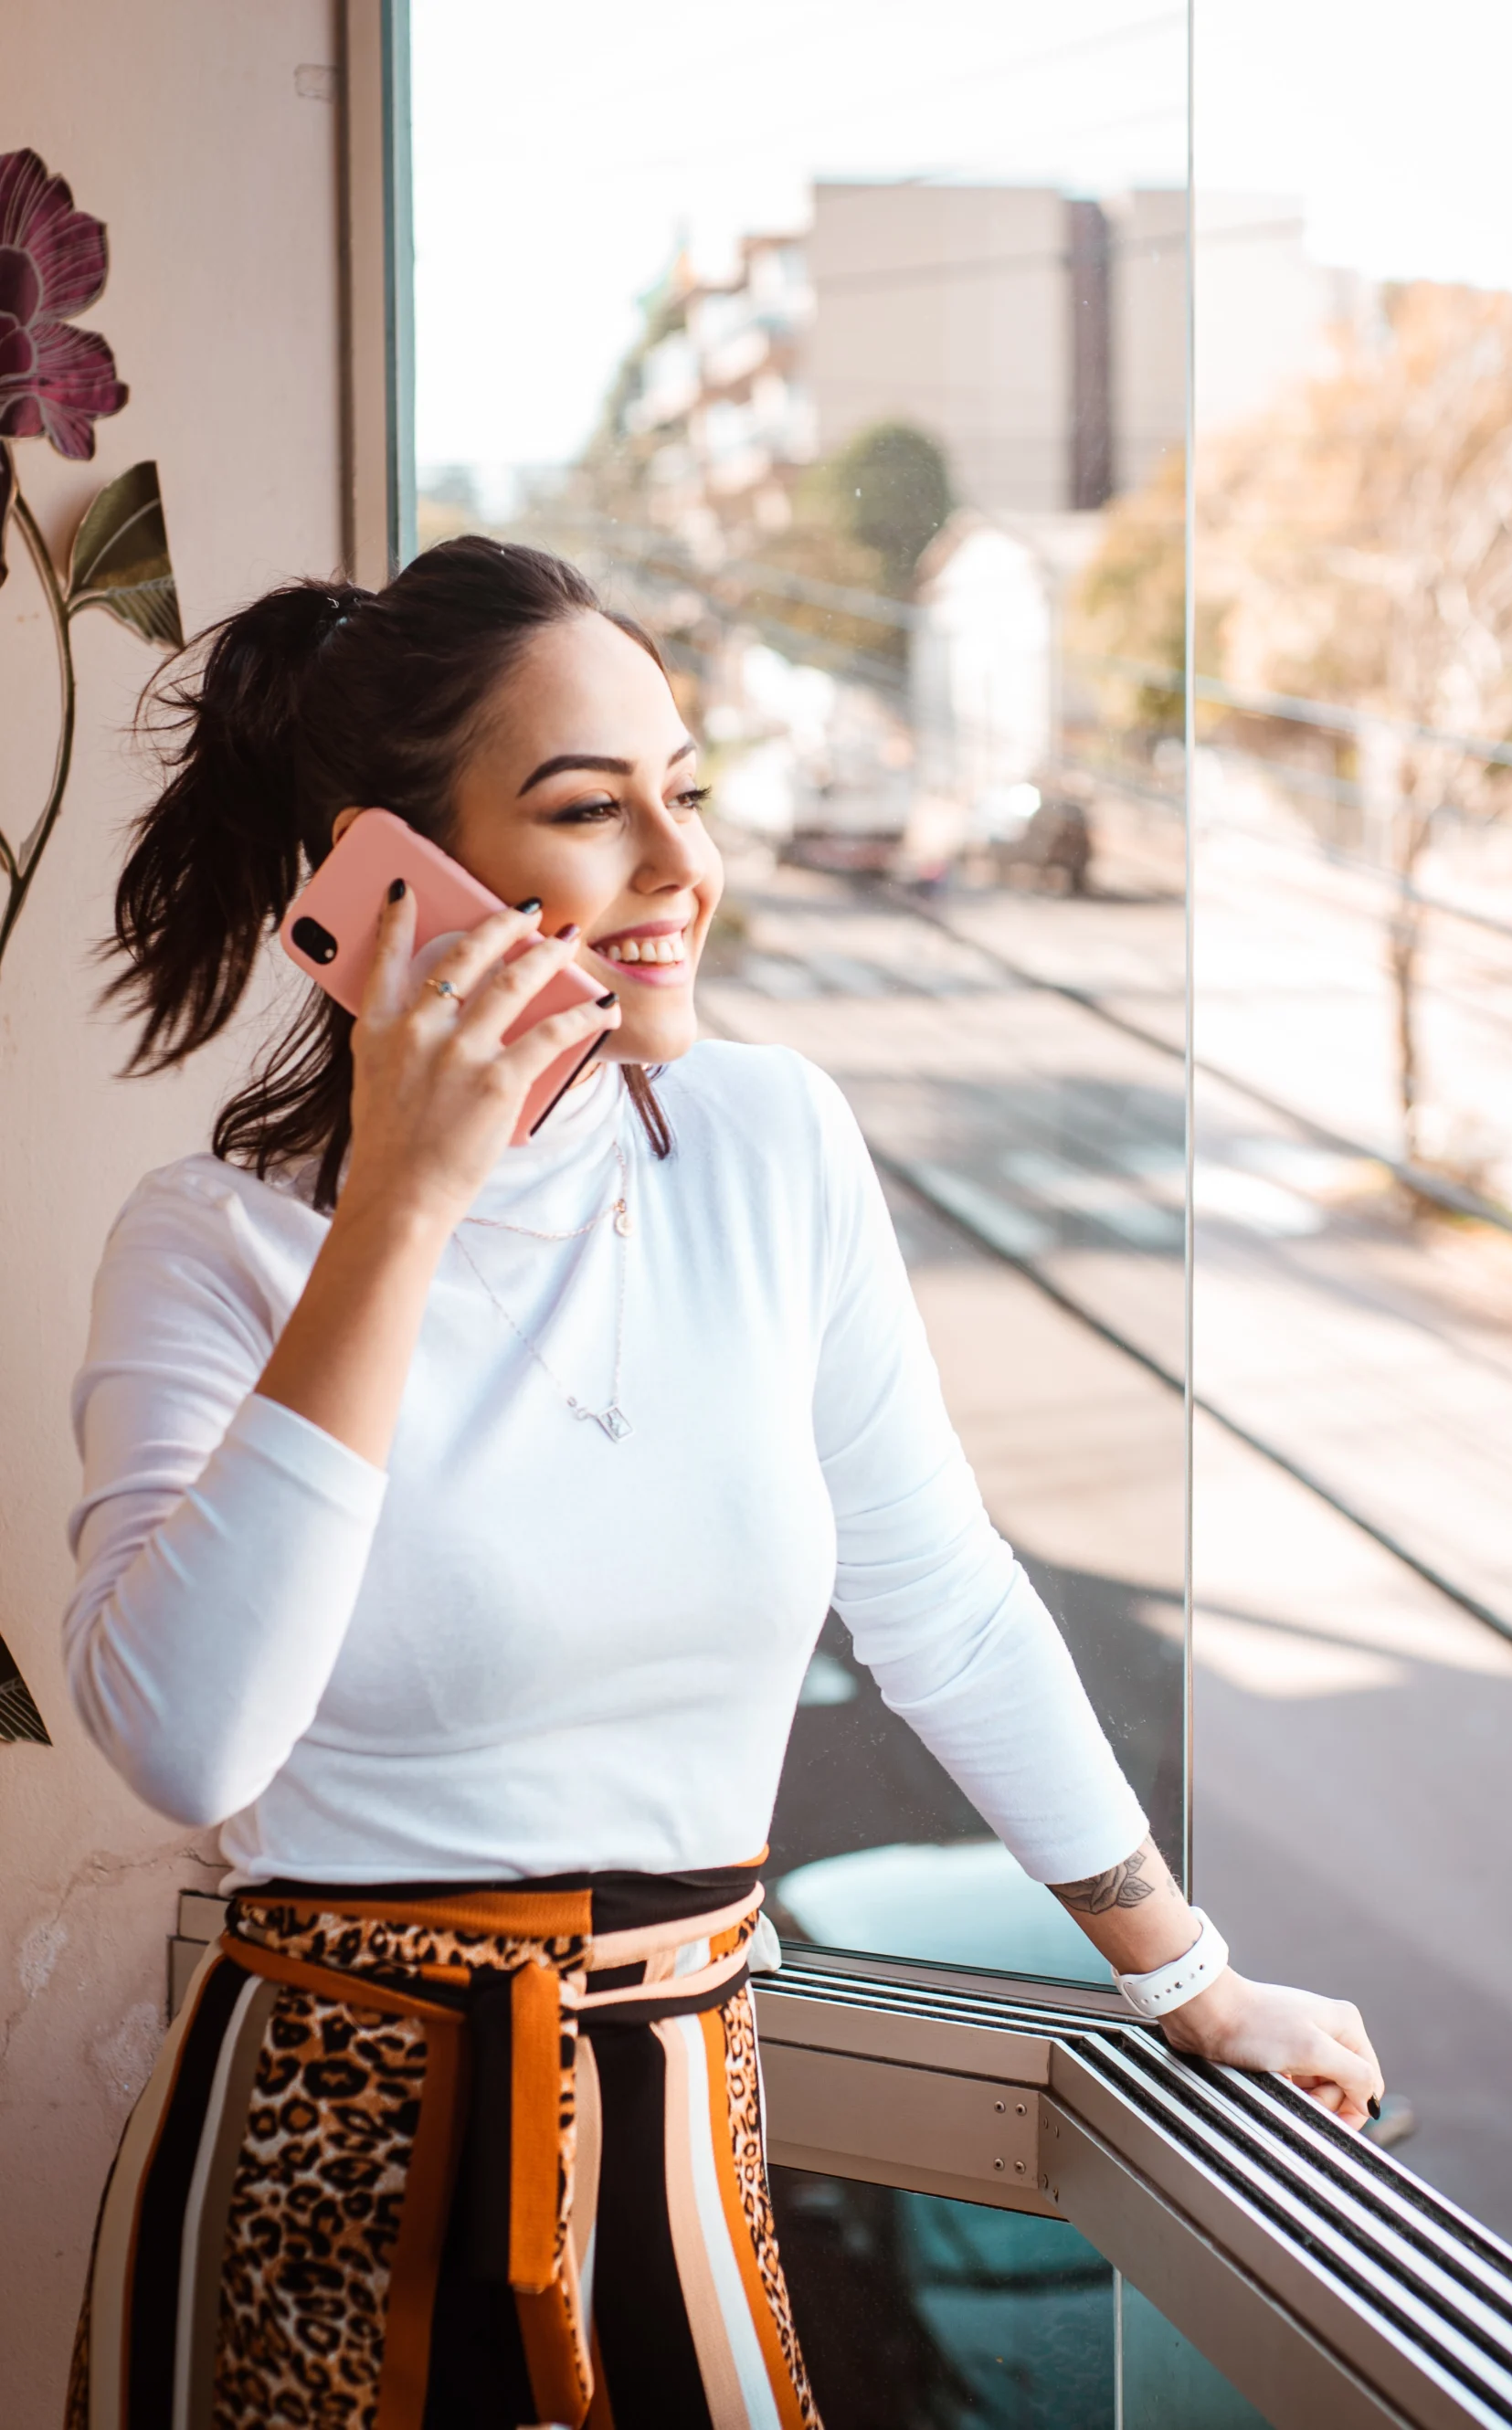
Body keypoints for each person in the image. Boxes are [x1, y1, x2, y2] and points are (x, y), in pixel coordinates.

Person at [61, 537, 1382, 2430]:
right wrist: (404, 1207)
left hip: (680, 2144)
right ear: (386, 871)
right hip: (307, 2167)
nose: (682, 875)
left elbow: (936, 1593)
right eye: (591, 811)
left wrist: (1184, 1976)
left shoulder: (772, 1145)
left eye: (685, 794)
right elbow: (188, 1744)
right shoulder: (213, 1246)